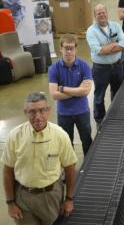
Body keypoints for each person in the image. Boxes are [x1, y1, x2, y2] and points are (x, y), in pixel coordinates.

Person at [1, 92, 78, 225]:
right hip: (23, 198)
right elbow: (7, 171)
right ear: (25, 112)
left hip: (51, 196)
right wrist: (10, 203)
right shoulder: (15, 136)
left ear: (48, 110)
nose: (38, 117)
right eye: (32, 112)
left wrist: (69, 199)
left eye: (42, 110)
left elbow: (70, 169)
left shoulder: (60, 135)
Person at [48, 34, 93, 155]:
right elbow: (54, 95)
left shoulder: (84, 66)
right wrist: (77, 91)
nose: (68, 51)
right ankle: (70, 170)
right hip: (64, 113)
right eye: (66, 48)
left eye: (71, 48)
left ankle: (89, 167)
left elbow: (86, 91)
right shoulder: (54, 68)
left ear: (76, 49)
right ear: (60, 49)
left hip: (82, 111)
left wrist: (62, 88)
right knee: (66, 144)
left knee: (87, 140)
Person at [86, 4, 124, 126]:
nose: (102, 15)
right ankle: (100, 120)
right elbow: (98, 50)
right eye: (99, 13)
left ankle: (116, 114)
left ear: (107, 13)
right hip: (100, 69)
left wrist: (107, 48)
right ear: (95, 16)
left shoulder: (116, 26)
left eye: (103, 12)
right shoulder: (91, 31)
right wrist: (114, 45)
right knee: (99, 95)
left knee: (118, 92)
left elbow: (123, 45)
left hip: (117, 66)